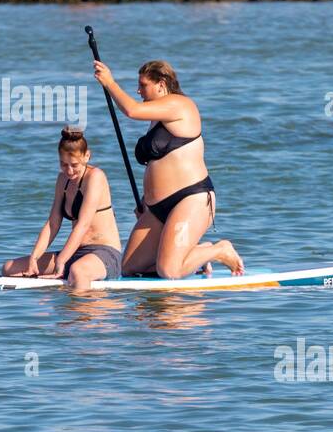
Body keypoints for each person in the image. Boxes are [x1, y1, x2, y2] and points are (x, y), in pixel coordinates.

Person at [92, 58, 243, 279]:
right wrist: (148, 200)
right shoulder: (157, 118)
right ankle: (191, 254)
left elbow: (131, 110)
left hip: (191, 199)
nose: (138, 90)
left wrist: (109, 82)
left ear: (161, 84)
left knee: (168, 271)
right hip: (157, 209)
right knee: (128, 268)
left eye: (143, 85)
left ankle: (219, 250)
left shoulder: (180, 105)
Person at [1, 128, 124, 289]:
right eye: (63, 164)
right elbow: (52, 224)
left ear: (87, 156)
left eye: (74, 165)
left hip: (105, 254)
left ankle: (81, 312)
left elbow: (83, 225)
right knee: (9, 268)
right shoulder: (62, 180)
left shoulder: (95, 177)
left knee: (78, 271)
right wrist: (34, 258)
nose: (69, 171)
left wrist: (61, 260)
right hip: (75, 253)